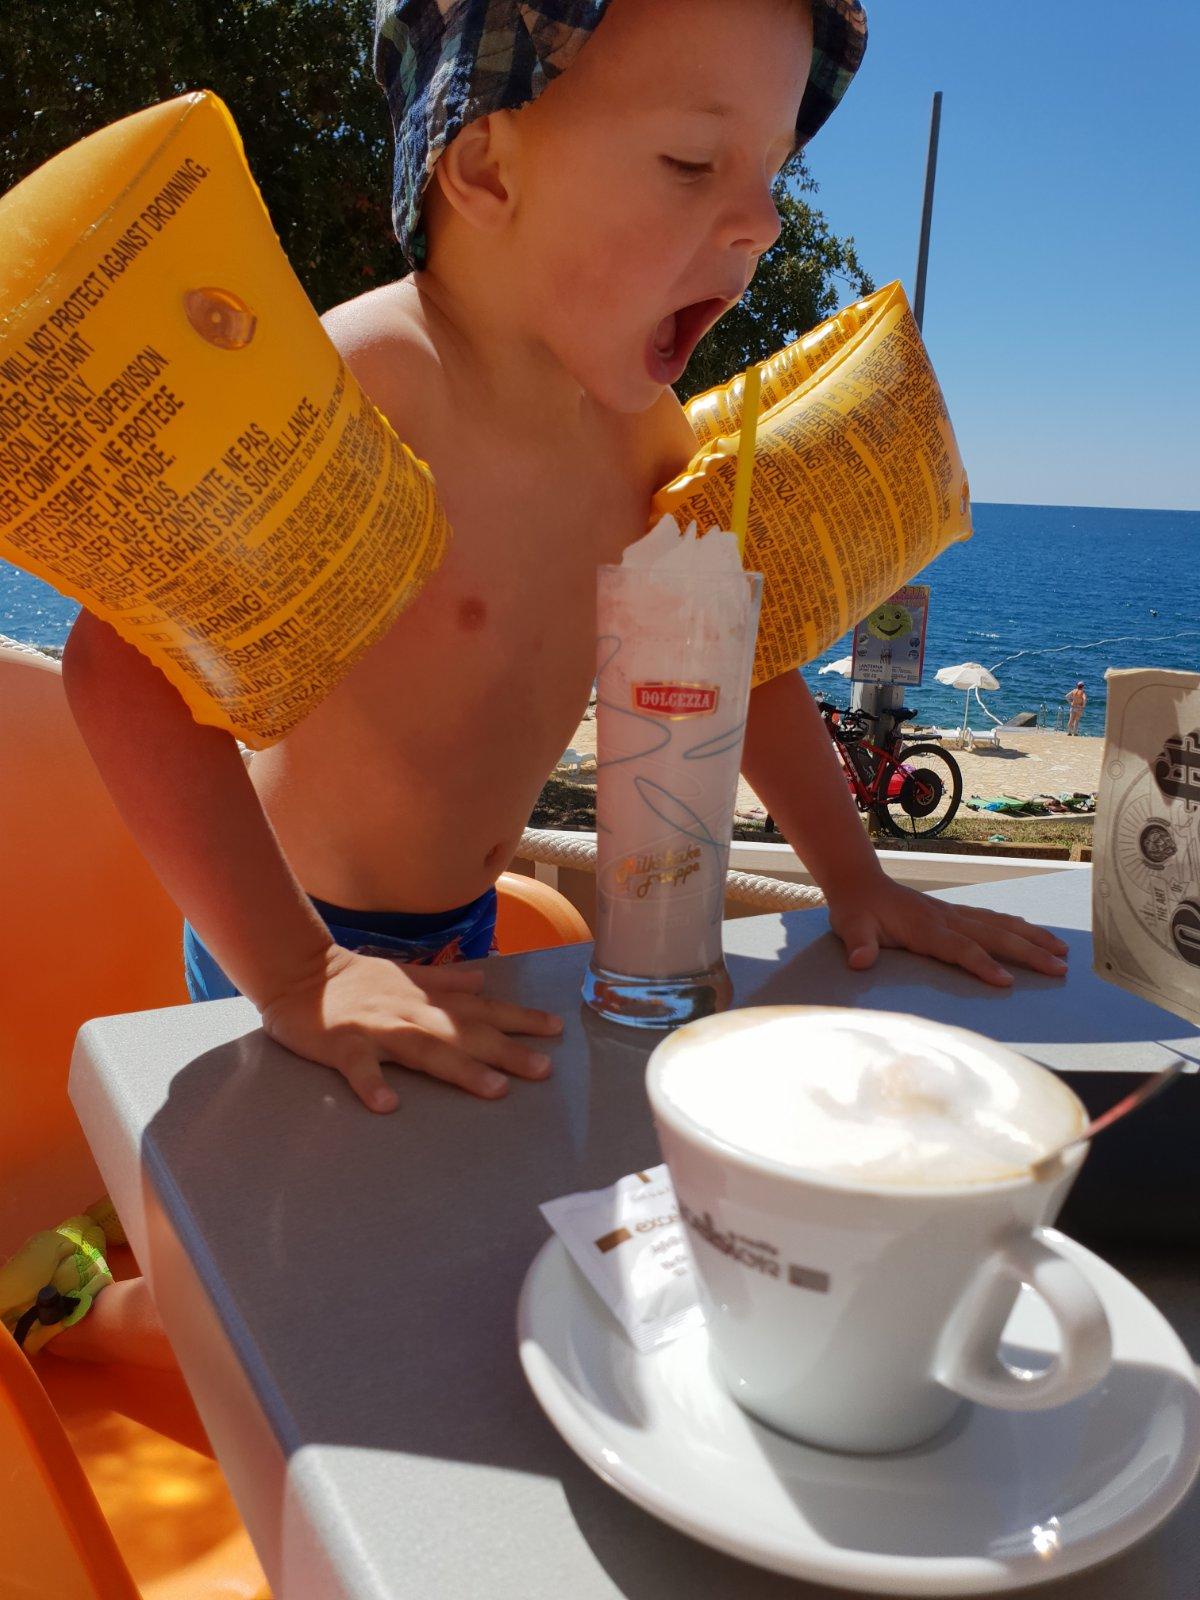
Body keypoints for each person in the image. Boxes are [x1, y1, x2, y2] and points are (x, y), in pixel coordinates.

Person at [60, 0, 1069, 1134]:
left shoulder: (639, 438)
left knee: (456, 1194)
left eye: (774, 174)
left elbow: (734, 657)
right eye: (692, 162)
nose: (762, 223)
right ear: (486, 169)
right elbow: (120, 669)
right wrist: (301, 973)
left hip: (467, 931)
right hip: (287, 935)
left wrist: (856, 879)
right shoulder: (372, 383)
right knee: (303, 1210)